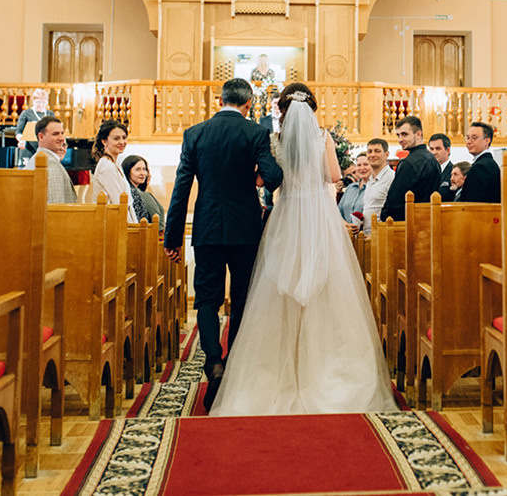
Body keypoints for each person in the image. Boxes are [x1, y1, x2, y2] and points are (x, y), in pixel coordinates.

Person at [209, 82, 396, 416]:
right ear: (312, 108)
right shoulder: (321, 137)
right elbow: (334, 175)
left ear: (281, 109)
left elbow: (264, 180)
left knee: (280, 284)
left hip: (288, 213)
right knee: (327, 284)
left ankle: (273, 373)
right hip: (318, 215)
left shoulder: (275, 140)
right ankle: (324, 368)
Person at [164, 78, 283, 407]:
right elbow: (274, 176)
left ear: (220, 100)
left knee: (206, 298)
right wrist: (252, 179)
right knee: (241, 298)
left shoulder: (195, 133)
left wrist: (173, 237)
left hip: (208, 227)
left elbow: (182, 187)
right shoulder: (255, 133)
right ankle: (232, 365)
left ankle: (212, 361)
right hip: (245, 227)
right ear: (248, 104)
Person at [380, 116, 440, 222]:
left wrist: (384, 217)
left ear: (418, 134)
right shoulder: (433, 160)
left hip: (407, 224)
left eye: (404, 134)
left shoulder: (408, 163)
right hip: (429, 221)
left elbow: (394, 201)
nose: (400, 140)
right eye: (398, 135)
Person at [92, 120, 136, 221]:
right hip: (113, 223)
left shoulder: (115, 164)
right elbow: (118, 202)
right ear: (104, 141)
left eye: (124, 138)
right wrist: (131, 229)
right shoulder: (106, 167)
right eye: (116, 138)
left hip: (122, 219)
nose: (122, 142)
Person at [33, 115, 76, 203]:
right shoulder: (49, 162)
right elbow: (56, 204)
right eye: (55, 134)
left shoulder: (40, 157)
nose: (62, 138)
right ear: (41, 137)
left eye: (62, 133)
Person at [456, 121, 501, 202]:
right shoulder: (487, 163)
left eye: (474, 138)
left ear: (487, 141)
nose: (469, 142)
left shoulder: (481, 167)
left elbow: (473, 202)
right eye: (468, 138)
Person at [358, 138, 393, 234]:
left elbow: (393, 209)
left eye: (377, 151)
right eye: (369, 152)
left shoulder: (392, 178)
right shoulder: (369, 180)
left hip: (382, 233)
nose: (372, 155)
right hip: (366, 234)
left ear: (386, 155)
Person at [122, 154, 165, 226]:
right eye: (137, 169)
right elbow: (158, 221)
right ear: (128, 172)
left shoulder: (137, 191)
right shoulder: (135, 193)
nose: (142, 173)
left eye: (144, 169)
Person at [15, 88, 52, 159]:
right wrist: (21, 140)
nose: (41, 105)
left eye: (44, 102)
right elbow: (18, 131)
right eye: (38, 102)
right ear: (33, 101)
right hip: (28, 149)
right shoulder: (26, 113)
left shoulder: (50, 114)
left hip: (45, 150)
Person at [337, 154, 371, 226]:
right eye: (359, 165)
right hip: (346, 233)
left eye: (366, 164)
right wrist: (346, 225)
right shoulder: (350, 188)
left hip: (365, 234)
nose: (362, 168)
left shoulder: (374, 187)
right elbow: (338, 211)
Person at [428, 133, 454, 199]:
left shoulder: (454, 171)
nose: (434, 152)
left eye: (438, 149)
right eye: (432, 149)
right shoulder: (426, 171)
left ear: (447, 150)